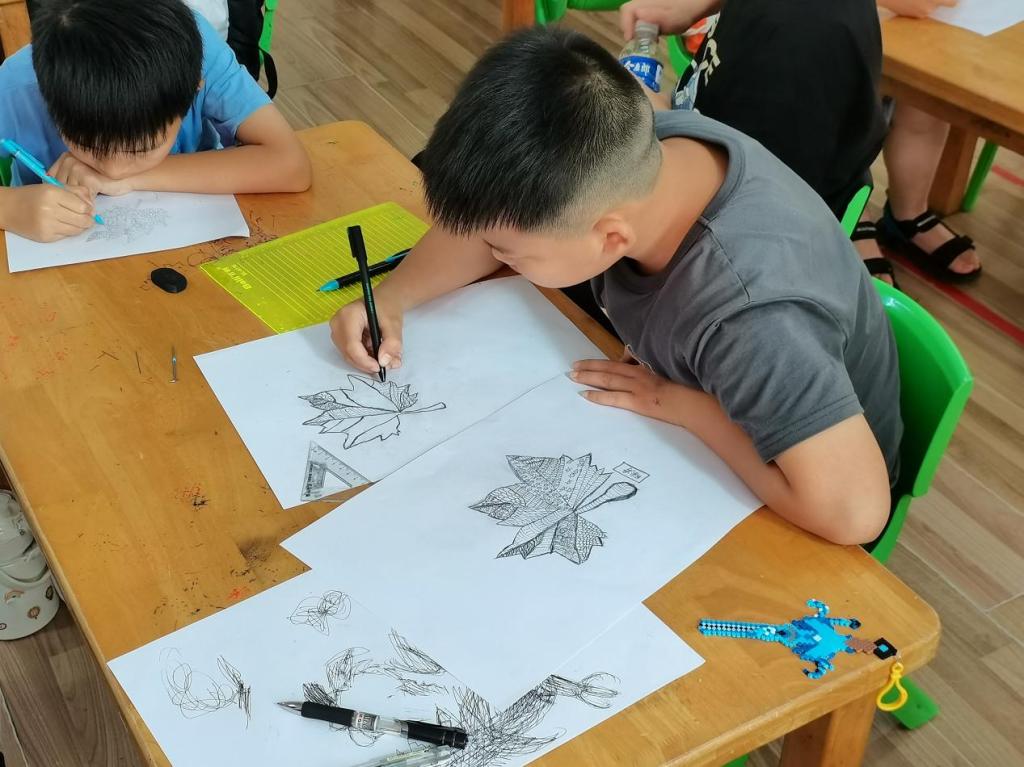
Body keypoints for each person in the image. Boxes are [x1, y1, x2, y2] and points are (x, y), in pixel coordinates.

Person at [330, 27, 901, 546]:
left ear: (610, 237)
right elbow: (491, 225)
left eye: (508, 251)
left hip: (799, 477)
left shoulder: (752, 319)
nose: (493, 253)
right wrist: (393, 299)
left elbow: (852, 513)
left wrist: (679, 404)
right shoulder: (632, 140)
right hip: (719, 400)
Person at [0, 0, 310, 243]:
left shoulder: (198, 54)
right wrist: (11, 208)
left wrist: (132, 180)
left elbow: (291, 164)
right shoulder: (16, 86)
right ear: (48, 101)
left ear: (193, 93)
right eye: (86, 146)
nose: (112, 169)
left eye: (141, 150)